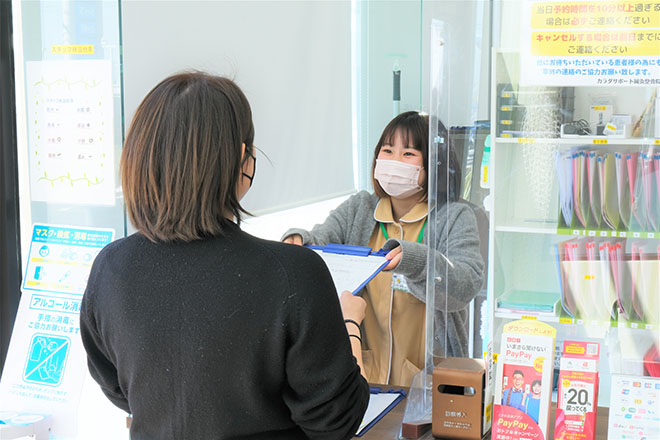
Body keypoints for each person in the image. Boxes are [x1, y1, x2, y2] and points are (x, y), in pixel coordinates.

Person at [79, 72, 369, 440]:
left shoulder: (110, 267)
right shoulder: (294, 274)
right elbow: (336, 421)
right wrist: (350, 325)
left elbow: (119, 388)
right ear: (242, 159)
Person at [282, 111, 484, 387]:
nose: (394, 161)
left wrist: (414, 261)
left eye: (408, 153)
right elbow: (320, 239)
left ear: (434, 163)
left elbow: (466, 284)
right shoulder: (360, 208)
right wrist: (298, 240)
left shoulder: (455, 216)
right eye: (387, 150)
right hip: (364, 375)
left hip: (428, 381)